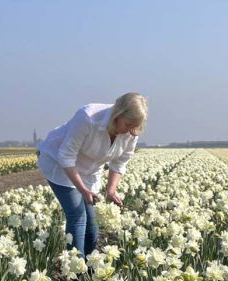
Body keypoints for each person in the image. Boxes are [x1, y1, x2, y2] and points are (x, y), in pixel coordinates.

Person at [36, 93, 148, 256]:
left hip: (89, 171)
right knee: (77, 215)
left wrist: (111, 191)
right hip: (60, 165)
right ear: (118, 114)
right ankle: (76, 268)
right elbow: (66, 156)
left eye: (135, 127)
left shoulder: (131, 132)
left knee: (92, 226)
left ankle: (90, 268)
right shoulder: (88, 117)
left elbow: (120, 162)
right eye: (128, 124)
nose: (131, 131)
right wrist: (82, 189)